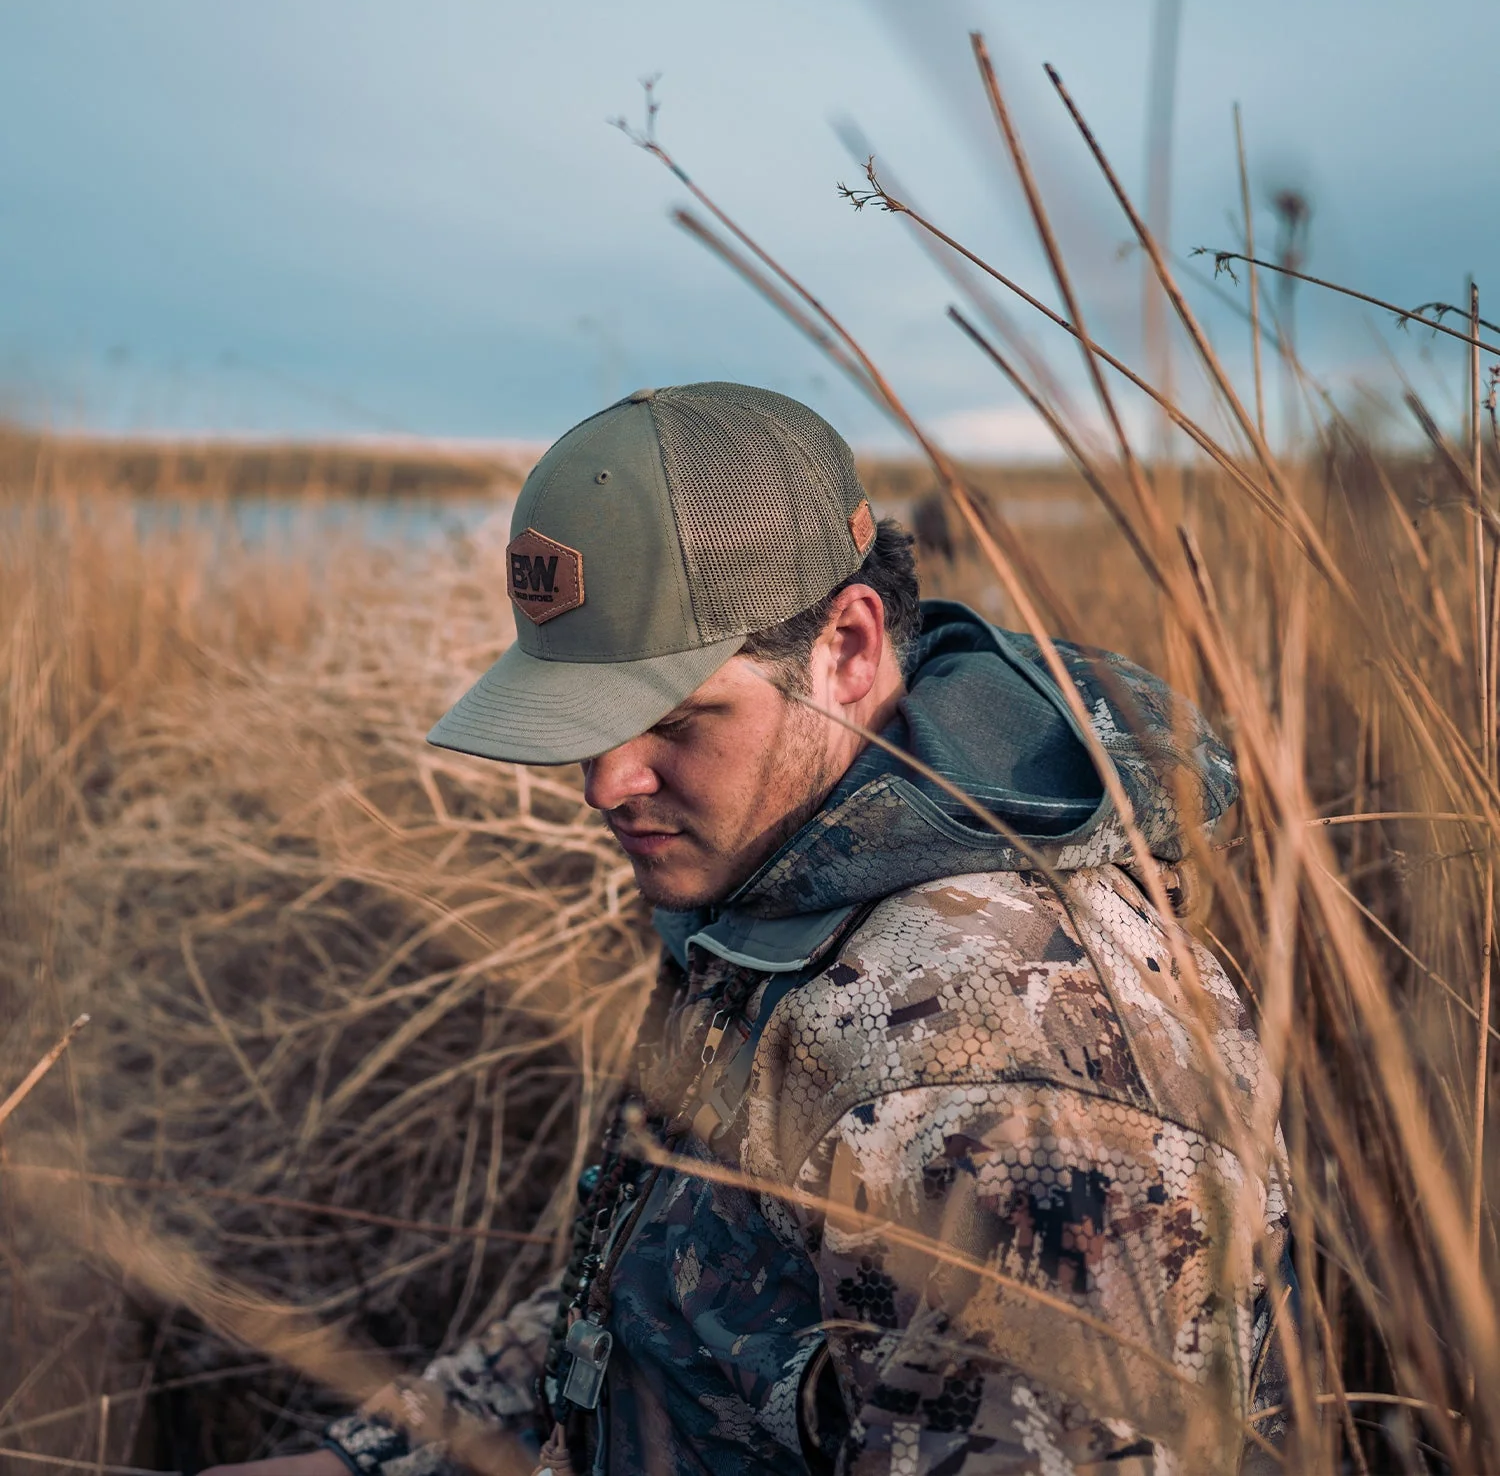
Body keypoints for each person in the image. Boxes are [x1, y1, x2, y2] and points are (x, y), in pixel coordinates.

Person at [207, 383, 1290, 1476]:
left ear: (849, 650)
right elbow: (661, 1307)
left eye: (673, 720)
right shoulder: (782, 887)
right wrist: (364, 1461)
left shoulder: (1000, 1079)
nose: (606, 784)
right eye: (585, 726)